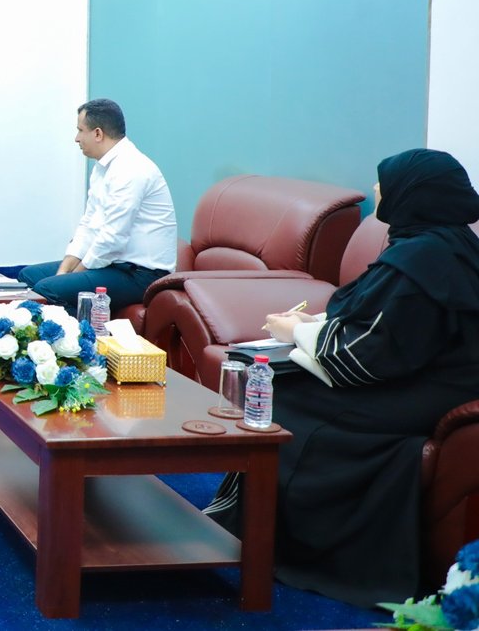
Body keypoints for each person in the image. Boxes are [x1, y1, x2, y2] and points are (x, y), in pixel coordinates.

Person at [205, 148, 479, 607]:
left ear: (412, 193)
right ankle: (249, 524)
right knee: (285, 380)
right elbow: (383, 327)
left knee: (282, 395)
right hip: (435, 384)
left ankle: (281, 542)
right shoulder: (449, 245)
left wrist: (295, 331)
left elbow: (363, 356)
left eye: (384, 183)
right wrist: (314, 327)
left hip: (422, 393)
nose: (376, 190)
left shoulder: (423, 257)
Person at [17, 98, 177, 314]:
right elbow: (89, 225)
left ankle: (81, 335)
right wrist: (64, 271)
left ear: (98, 133)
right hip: (113, 265)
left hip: (141, 275)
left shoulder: (131, 169)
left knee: (48, 289)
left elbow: (113, 238)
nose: (76, 138)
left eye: (80, 130)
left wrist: (75, 274)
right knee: (27, 277)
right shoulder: (102, 169)